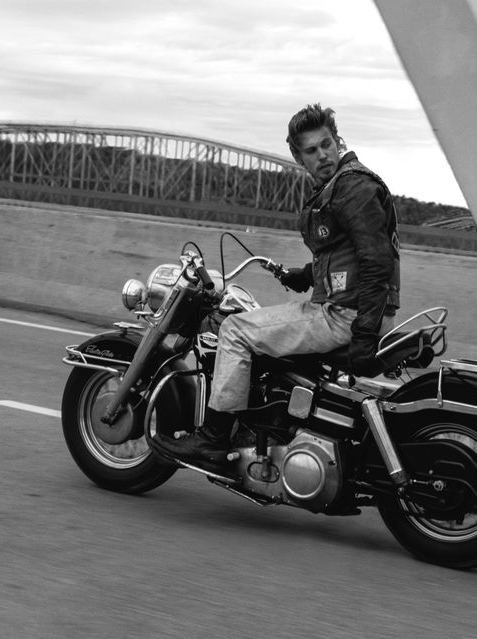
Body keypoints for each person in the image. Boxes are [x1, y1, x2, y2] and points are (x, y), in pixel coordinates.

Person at [154, 104, 401, 467]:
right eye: (312, 150)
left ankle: (214, 438)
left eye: (327, 144)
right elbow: (347, 258)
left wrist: (364, 332)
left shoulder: (352, 187)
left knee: (236, 329)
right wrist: (302, 276)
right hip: (349, 308)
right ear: (299, 157)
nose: (323, 155)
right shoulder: (343, 186)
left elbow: (376, 260)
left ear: (337, 141)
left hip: (346, 315)